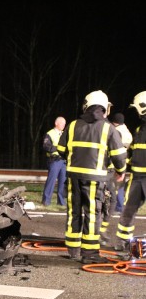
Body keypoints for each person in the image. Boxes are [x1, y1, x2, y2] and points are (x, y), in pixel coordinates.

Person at [57, 90, 126, 264]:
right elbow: (119, 155)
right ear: (104, 108)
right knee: (92, 214)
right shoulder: (107, 128)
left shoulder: (72, 125)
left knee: (73, 212)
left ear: (86, 105)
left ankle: (73, 250)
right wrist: (121, 170)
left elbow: (61, 150)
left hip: (73, 176)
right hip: (96, 178)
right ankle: (90, 253)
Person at [115, 91, 146, 251]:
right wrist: (122, 166)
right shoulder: (140, 129)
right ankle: (122, 243)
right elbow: (133, 152)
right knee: (128, 211)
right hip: (136, 178)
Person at [99, 112, 133, 243]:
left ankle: (100, 229)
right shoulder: (115, 131)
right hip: (108, 171)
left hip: (105, 170)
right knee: (109, 201)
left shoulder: (104, 128)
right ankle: (100, 230)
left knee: (106, 200)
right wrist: (121, 170)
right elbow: (118, 154)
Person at [41, 116, 67, 206]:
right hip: (54, 160)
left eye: (64, 123)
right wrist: (58, 148)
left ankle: (61, 202)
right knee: (51, 181)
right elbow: (46, 146)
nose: (64, 125)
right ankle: (46, 201)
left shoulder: (64, 134)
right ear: (56, 123)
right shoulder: (50, 133)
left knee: (63, 182)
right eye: (62, 123)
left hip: (63, 161)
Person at [111, 113, 133, 212]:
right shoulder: (127, 131)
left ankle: (117, 205)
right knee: (120, 183)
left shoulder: (116, 131)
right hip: (124, 159)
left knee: (114, 183)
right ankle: (120, 205)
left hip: (115, 159)